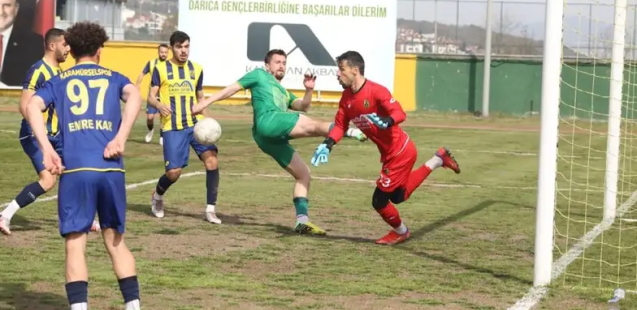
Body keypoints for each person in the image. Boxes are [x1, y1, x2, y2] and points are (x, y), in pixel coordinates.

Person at [25, 21, 142, 310]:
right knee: (116, 242)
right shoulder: (114, 77)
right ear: (100, 50)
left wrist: (47, 148)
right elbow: (135, 95)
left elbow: (31, 106)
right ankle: (134, 306)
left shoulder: (60, 81)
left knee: (75, 244)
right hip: (111, 168)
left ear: (72, 49)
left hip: (76, 170)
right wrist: (121, 137)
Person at [192, 49, 368, 235]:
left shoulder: (283, 91)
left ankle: (302, 221)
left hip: (266, 138)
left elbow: (303, 106)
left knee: (303, 175)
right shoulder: (258, 75)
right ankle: (351, 131)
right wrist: (205, 103)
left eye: (284, 62)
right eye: (277, 62)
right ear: (267, 65)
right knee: (313, 125)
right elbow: (232, 89)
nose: (281, 65)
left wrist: (308, 90)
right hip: (268, 121)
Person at [311, 51, 461, 245]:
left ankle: (401, 231)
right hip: (390, 154)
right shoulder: (346, 98)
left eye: (341, 69)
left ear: (355, 70)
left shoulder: (376, 91)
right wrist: (327, 144)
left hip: (400, 152)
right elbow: (340, 126)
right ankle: (438, 159)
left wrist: (387, 121)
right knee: (398, 196)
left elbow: (400, 113)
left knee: (379, 200)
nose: (337, 74)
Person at [0, 28, 99, 235]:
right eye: (65, 44)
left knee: (79, 171)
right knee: (48, 180)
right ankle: (5, 215)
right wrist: (42, 137)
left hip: (57, 137)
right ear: (52, 46)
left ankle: (84, 218)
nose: (68, 49)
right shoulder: (38, 70)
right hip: (35, 136)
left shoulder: (60, 74)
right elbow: (25, 106)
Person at [148, 31, 221, 224]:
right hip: (173, 127)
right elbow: (150, 96)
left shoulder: (197, 69)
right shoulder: (161, 69)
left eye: (186, 46)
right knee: (174, 173)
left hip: (195, 126)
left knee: (212, 162)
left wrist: (208, 121)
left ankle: (210, 209)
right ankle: (157, 195)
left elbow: (200, 98)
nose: (183, 51)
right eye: (179, 47)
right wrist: (158, 105)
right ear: (172, 47)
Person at [0, 0, 45, 87]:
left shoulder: (33, 43)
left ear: (16, 9)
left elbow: (36, 85)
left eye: (6, 5)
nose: (1, 11)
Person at [135, 43, 168, 146]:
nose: (163, 54)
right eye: (162, 52)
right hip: (153, 95)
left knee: (164, 116)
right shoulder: (151, 63)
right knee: (150, 117)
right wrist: (137, 86)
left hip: (165, 94)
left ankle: (162, 137)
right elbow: (142, 73)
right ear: (158, 52)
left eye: (165, 52)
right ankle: (150, 130)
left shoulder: (170, 64)